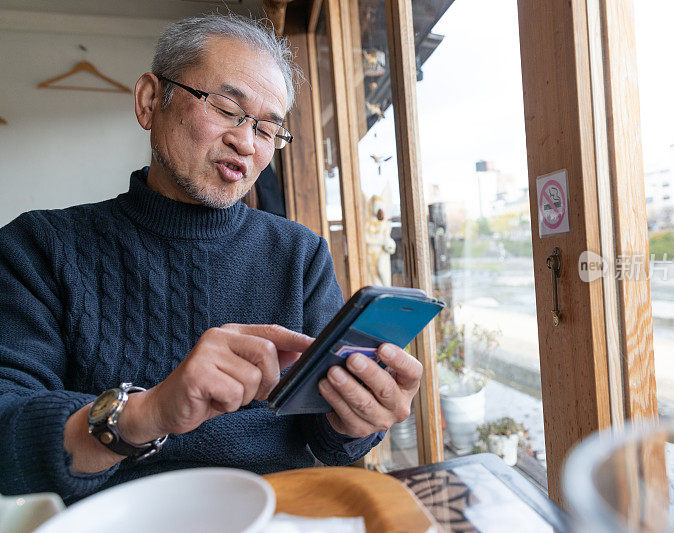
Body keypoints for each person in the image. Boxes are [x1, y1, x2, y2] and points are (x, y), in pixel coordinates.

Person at [0, 13, 421, 504]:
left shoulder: (298, 253)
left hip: (278, 507)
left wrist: (358, 418)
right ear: (150, 100)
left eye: (268, 130)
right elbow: (7, 432)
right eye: (226, 108)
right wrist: (149, 411)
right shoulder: (40, 247)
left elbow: (325, 439)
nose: (246, 142)